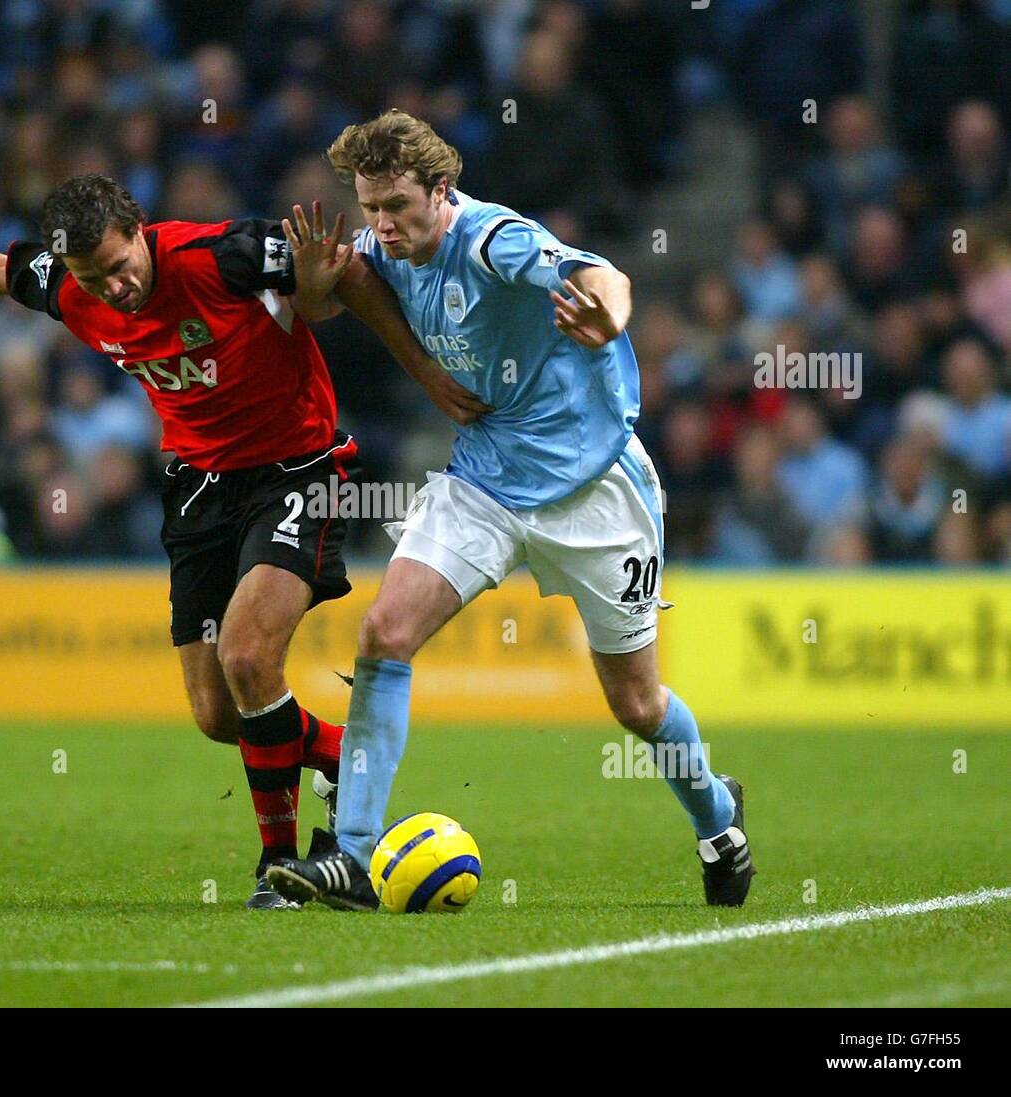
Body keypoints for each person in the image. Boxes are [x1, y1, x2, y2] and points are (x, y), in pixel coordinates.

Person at [0, 173, 477, 908]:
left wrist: (403, 354)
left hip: (297, 470)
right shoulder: (75, 286)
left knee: (248, 655)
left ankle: (278, 866)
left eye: (122, 266)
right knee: (219, 714)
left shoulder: (223, 255)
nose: (115, 289)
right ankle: (346, 753)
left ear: (141, 231)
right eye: (95, 278)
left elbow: (347, 275)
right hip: (198, 488)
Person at [268, 111, 754, 910]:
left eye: (397, 206)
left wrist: (609, 316)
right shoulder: (380, 249)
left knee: (636, 704)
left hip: (595, 491)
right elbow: (334, 297)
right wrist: (333, 294)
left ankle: (719, 819)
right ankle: (351, 856)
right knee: (385, 632)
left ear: (442, 190)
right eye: (370, 208)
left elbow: (603, 274)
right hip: (485, 481)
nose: (383, 225)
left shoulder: (494, 240)